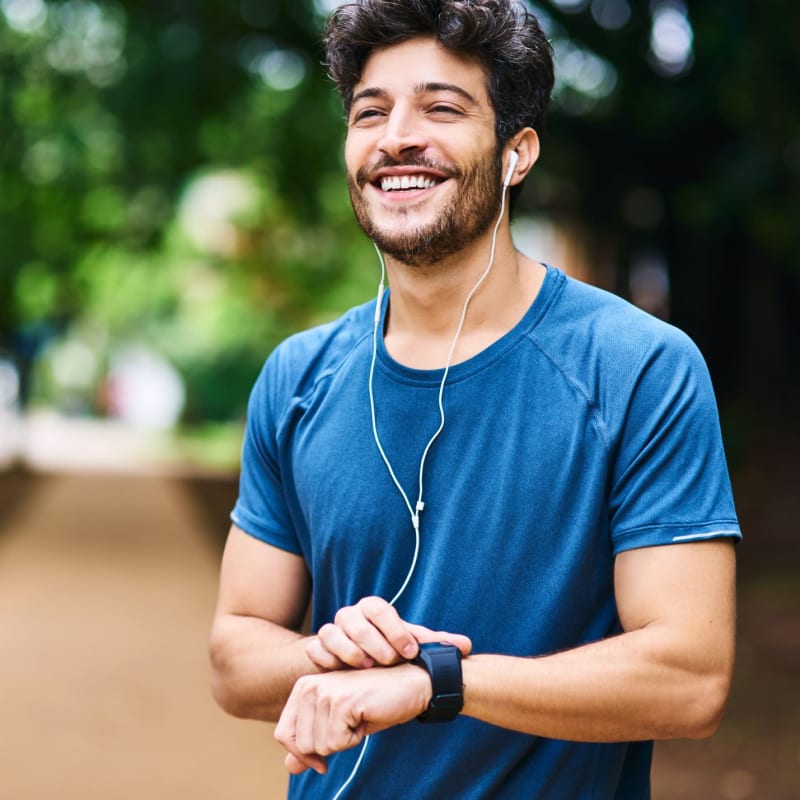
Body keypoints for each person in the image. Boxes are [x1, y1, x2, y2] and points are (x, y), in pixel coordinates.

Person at [209, 1, 741, 797]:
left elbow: (690, 678)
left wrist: (434, 681)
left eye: (442, 108)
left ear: (516, 152)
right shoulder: (298, 377)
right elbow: (234, 658)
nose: (397, 138)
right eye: (370, 112)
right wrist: (337, 656)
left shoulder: (639, 368)